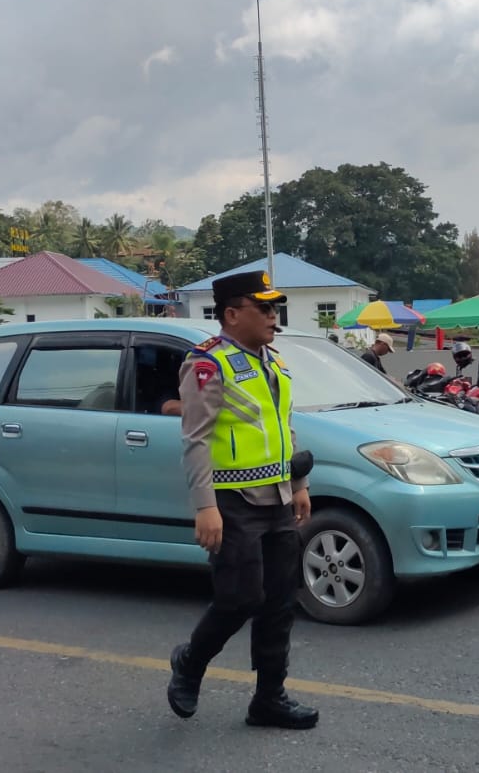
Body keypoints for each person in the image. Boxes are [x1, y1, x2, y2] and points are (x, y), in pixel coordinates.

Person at [167, 270, 318, 730]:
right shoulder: (209, 364)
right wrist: (204, 505)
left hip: (275, 499)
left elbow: (282, 428)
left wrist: (298, 483)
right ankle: (190, 663)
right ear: (232, 314)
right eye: (265, 308)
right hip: (231, 502)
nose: (275, 317)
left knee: (278, 602)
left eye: (277, 309)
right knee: (239, 598)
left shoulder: (274, 363)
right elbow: (195, 439)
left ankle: (269, 699)